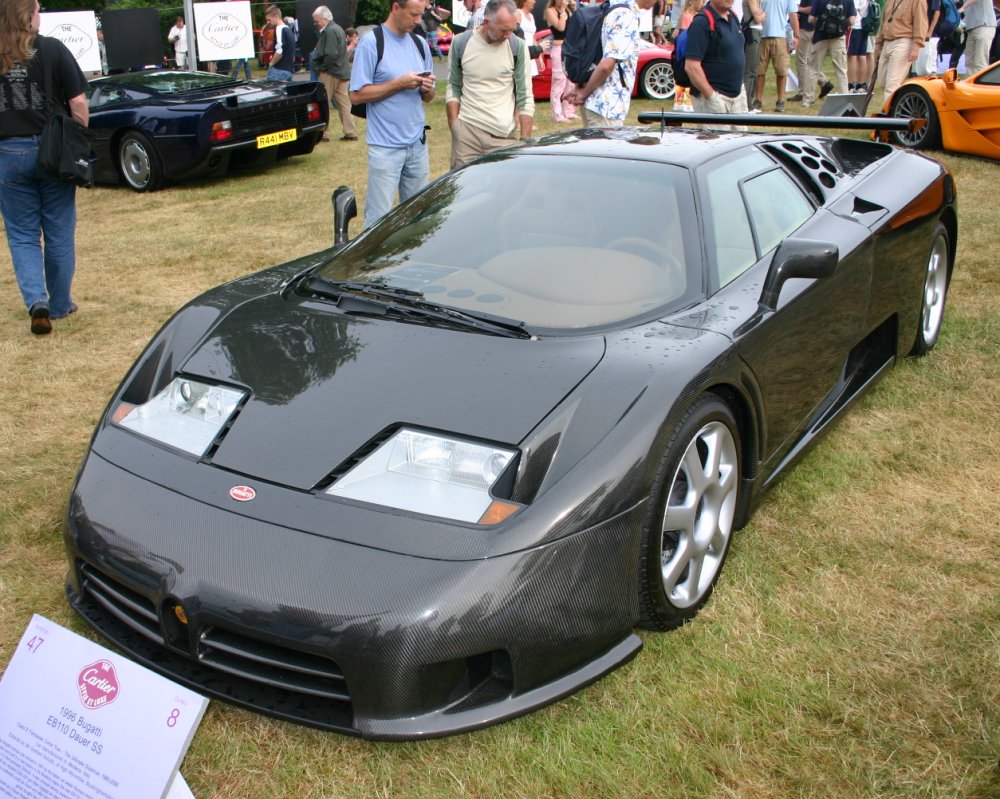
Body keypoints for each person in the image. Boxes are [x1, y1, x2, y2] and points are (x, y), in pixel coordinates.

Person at [0, 0, 89, 335]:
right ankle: (60, 304)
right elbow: (78, 103)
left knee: (22, 234)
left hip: (8, 151)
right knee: (59, 229)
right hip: (53, 149)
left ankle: (36, 301)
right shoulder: (52, 49)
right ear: (29, 14)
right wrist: (78, 138)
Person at [349, 0, 435, 228]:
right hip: (385, 147)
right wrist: (398, 84)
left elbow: (429, 97)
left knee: (418, 219)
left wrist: (427, 89)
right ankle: (374, 265)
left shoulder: (419, 44)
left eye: (421, 15)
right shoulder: (371, 43)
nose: (418, 21)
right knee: (379, 222)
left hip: (417, 144)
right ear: (396, 7)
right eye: (414, 15)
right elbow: (356, 95)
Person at [447, 0, 534, 168]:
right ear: (486, 22)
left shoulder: (518, 47)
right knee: (464, 192)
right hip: (466, 134)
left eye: (512, 29)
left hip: (503, 137)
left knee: (504, 193)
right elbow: (453, 86)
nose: (508, 35)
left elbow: (525, 97)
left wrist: (525, 142)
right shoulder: (460, 43)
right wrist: (455, 126)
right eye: (503, 30)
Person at [563, 0, 659, 125]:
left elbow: (595, 52)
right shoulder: (625, 15)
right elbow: (607, 64)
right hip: (607, 104)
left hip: (597, 101)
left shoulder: (612, 7)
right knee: (607, 144)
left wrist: (582, 87)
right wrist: (583, 92)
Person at [684, 0, 749, 123]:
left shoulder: (733, 17)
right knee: (718, 141)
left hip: (737, 97)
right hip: (714, 99)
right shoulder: (701, 22)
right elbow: (691, 66)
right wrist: (711, 96)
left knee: (740, 141)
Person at [312, 6, 358, 141]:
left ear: (325, 19)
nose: (315, 24)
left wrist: (322, 68)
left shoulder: (330, 31)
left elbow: (331, 54)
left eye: (317, 21)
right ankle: (351, 132)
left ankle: (323, 133)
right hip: (342, 72)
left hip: (331, 73)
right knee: (344, 104)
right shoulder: (337, 29)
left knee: (323, 103)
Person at [874, 0, 927, 103]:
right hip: (887, 41)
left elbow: (921, 23)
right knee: (882, 80)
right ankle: (897, 107)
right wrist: (878, 44)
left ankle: (889, 116)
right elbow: (883, 22)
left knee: (892, 84)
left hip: (904, 41)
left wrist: (916, 46)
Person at [751, 0, 799, 111]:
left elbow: (793, 15)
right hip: (761, 35)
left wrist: (797, 35)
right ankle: (758, 99)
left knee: (782, 71)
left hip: (781, 36)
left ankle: (780, 100)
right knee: (759, 71)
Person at [807, 0, 855, 98]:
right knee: (841, 71)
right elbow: (852, 21)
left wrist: (821, 24)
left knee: (813, 69)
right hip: (838, 38)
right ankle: (844, 96)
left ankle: (808, 99)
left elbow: (811, 19)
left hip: (820, 37)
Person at [544, 0, 579, 121]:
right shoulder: (550, 11)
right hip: (559, 48)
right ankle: (557, 114)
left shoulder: (568, 11)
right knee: (559, 81)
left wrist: (572, 10)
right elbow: (560, 27)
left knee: (571, 81)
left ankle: (568, 111)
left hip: (570, 48)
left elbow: (575, 27)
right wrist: (563, 11)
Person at [847, 0, 876, 90]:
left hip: (855, 26)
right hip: (864, 24)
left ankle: (850, 84)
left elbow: (853, 10)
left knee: (852, 56)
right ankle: (861, 83)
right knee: (861, 55)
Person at [961, 0, 997, 73]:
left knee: (980, 61)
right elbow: (970, 11)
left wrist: (962, 8)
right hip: (971, 28)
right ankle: (969, 83)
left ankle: (980, 83)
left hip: (984, 25)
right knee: (969, 62)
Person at [266, 5, 295, 81]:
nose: (268, 22)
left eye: (269, 19)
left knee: (273, 92)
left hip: (278, 70)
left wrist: (271, 64)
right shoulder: (288, 30)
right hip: (289, 70)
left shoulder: (279, 29)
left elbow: (280, 50)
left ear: (276, 16)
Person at [912, 0, 940, 74]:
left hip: (930, 34)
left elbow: (937, 13)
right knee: (918, 63)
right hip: (918, 32)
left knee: (930, 62)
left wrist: (929, 32)